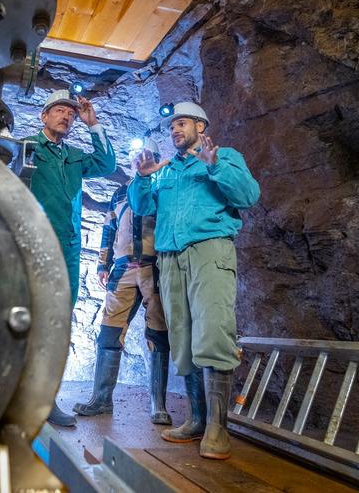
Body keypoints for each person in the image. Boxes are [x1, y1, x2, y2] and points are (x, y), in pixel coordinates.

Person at [128, 102, 259, 459]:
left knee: (214, 332)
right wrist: (141, 177)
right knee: (182, 338)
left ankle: (218, 428)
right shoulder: (166, 170)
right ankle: (197, 419)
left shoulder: (225, 156)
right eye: (172, 126)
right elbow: (141, 207)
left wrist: (215, 166)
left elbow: (248, 196)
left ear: (201, 126)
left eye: (182, 123)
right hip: (170, 259)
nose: (175, 130)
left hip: (209, 251)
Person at [26, 89, 116, 427]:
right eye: (59, 111)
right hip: (35, 243)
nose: (66, 116)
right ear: (44, 116)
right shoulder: (28, 148)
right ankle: (17, 396)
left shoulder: (75, 156)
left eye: (71, 114)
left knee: (58, 324)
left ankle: (46, 401)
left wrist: (94, 125)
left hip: (69, 247)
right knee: (29, 319)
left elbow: (107, 164)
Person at [73, 162, 172, 425]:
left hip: (155, 267)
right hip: (123, 268)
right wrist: (102, 264)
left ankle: (158, 405)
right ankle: (101, 399)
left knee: (158, 334)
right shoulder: (119, 193)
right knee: (109, 332)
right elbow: (109, 229)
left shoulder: (163, 189)